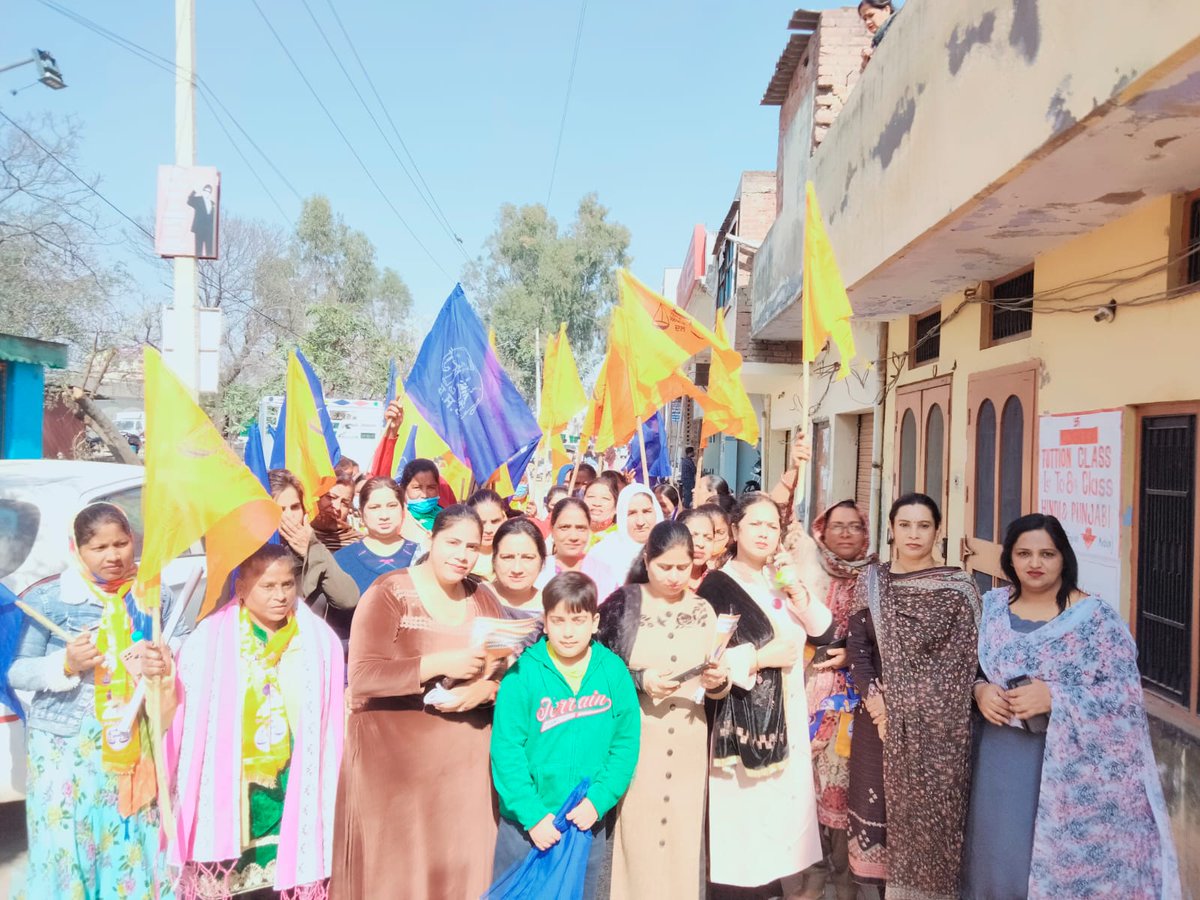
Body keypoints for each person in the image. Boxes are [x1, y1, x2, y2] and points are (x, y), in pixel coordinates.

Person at [963, 514, 1182, 898]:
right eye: (1024, 553)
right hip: (997, 761)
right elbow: (969, 670)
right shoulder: (991, 609)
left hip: (1066, 772)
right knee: (996, 858)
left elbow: (1124, 700)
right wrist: (980, 691)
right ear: (1009, 560)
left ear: (1064, 557)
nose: (1035, 563)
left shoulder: (1095, 621)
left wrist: (1057, 698)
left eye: (1047, 553)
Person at [10, 503, 185, 898]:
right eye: (99, 547)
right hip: (66, 745)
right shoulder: (51, 599)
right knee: (69, 835)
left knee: (129, 832)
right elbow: (16, 670)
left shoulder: (153, 596)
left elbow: (182, 646)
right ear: (77, 549)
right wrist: (65, 664)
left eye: (121, 543)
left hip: (133, 735)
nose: (113, 556)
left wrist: (165, 661)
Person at [331, 505, 504, 899]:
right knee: (397, 879)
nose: (461, 555)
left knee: (463, 873)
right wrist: (439, 663)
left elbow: (504, 671)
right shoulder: (391, 592)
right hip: (395, 774)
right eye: (452, 543)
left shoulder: (483, 597)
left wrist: (485, 690)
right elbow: (362, 676)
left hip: (464, 775)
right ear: (431, 540)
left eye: (472, 547)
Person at [169, 543, 345, 899]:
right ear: (242, 588)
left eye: (287, 585)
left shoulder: (317, 639)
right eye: (268, 586)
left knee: (288, 874)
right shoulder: (209, 640)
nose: (281, 596)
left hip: (293, 777)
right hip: (236, 785)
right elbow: (183, 713)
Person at [696, 492, 835, 896]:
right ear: (735, 530)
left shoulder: (781, 577)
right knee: (744, 840)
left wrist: (796, 589)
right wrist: (760, 658)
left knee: (779, 840)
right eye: (755, 524)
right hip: (741, 721)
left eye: (772, 526)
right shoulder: (719, 586)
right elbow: (707, 662)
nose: (764, 533)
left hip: (787, 723)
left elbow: (824, 631)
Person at [846, 493, 979, 900]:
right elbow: (858, 648)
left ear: (938, 531)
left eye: (924, 526)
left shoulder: (959, 589)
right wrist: (877, 701)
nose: (914, 534)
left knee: (931, 824)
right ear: (891, 529)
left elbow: (965, 663)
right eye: (905, 525)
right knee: (876, 816)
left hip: (937, 734)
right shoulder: (871, 582)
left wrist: (908, 702)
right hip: (878, 723)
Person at [598, 522, 730, 900]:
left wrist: (717, 681)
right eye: (665, 567)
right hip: (637, 745)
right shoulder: (623, 604)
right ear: (646, 561)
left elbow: (717, 684)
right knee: (636, 839)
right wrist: (640, 680)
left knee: (682, 840)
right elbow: (597, 672)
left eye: (683, 568)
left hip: (690, 745)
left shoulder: (704, 609)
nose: (675, 577)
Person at [490, 572, 641, 899]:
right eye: (558, 621)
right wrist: (531, 815)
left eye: (578, 620)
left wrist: (598, 801)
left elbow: (625, 745)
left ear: (595, 620)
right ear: (545, 622)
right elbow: (507, 751)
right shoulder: (523, 673)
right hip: (528, 825)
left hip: (583, 819)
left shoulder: (612, 672)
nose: (568, 632)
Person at [794, 501, 876, 900]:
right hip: (805, 693)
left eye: (854, 527)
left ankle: (844, 879)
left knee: (843, 790)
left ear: (866, 533)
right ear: (822, 531)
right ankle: (812, 872)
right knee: (805, 787)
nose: (845, 534)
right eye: (837, 526)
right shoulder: (805, 570)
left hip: (858, 704)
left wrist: (853, 654)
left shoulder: (879, 579)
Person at [269, 469, 360, 647]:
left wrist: (311, 549)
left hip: (307, 650)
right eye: (280, 509)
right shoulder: (247, 552)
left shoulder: (312, 547)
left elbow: (348, 598)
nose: (289, 516)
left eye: (295, 507)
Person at [334, 476, 421, 594]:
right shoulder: (342, 559)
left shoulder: (421, 555)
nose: (384, 515)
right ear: (361, 513)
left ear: (403, 509)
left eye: (391, 506)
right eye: (374, 507)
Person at [581, 483, 664, 603]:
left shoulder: (670, 549)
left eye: (646, 511)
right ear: (621, 515)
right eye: (631, 513)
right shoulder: (601, 554)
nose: (640, 521)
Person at [491, 517, 548, 612]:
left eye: (527, 558)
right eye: (507, 557)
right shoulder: (474, 599)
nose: (517, 569)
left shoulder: (552, 608)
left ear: (542, 561)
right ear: (494, 560)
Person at [536, 497, 592, 589]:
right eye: (565, 527)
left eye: (580, 528)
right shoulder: (537, 571)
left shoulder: (603, 572)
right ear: (552, 528)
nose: (573, 537)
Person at [397, 457, 443, 550]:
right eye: (417, 487)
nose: (424, 495)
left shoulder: (447, 517)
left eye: (431, 487)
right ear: (404, 489)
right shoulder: (397, 519)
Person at [311, 472, 360, 554]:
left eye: (344, 503)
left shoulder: (358, 545)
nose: (337, 507)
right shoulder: (298, 536)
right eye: (331, 497)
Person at [466, 489, 509, 580]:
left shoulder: (516, 554)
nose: (488, 530)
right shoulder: (459, 557)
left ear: (504, 518)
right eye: (482, 523)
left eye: (495, 521)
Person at [677, 507, 715, 591]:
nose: (700, 544)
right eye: (692, 536)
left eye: (708, 538)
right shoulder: (663, 580)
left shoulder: (717, 582)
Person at [583, 473, 622, 547]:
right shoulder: (571, 534)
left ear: (616, 507)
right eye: (591, 496)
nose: (597, 503)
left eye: (605, 498)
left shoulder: (621, 540)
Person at [859, 0, 896, 69]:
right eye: (865, 19)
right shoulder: (876, 42)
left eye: (871, 15)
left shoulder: (897, 28)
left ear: (886, 10)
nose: (867, 22)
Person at [699, 503, 733, 569]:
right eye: (707, 534)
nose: (715, 538)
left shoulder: (734, 561)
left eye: (720, 532)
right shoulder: (688, 561)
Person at [187, 183, 216, 256]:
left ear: (210, 193)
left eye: (209, 191)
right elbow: (189, 201)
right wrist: (194, 191)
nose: (207, 193)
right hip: (199, 228)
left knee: (209, 251)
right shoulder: (198, 200)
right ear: (203, 191)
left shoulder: (212, 203)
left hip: (209, 230)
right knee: (198, 250)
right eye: (205, 191)